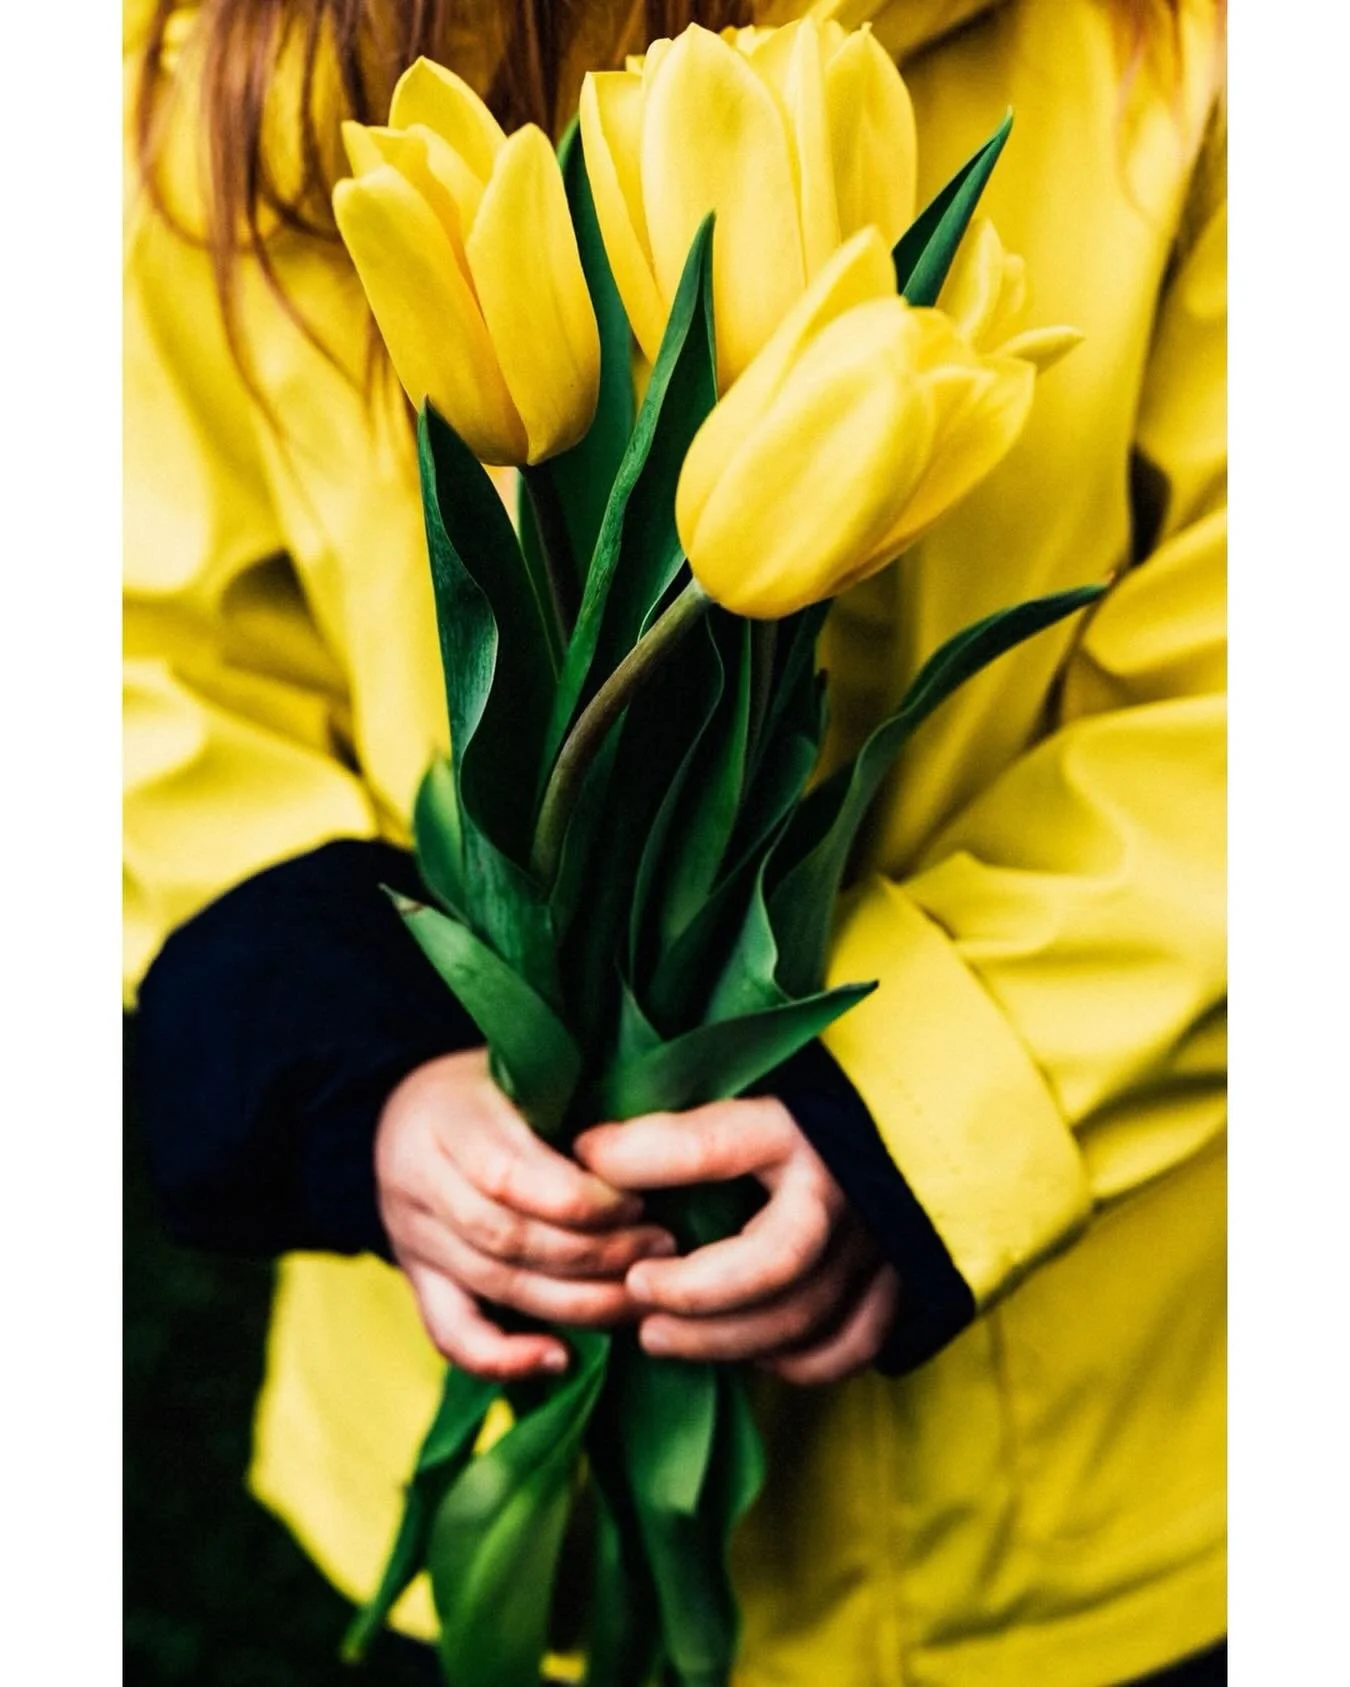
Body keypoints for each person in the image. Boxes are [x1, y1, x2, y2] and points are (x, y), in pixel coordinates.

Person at [124, 1, 1227, 1683]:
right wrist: (359, 1068)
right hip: (479, 1327)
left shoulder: (1182, 54)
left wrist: (934, 1102)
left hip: (1079, 1461)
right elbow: (134, 650)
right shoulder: (217, 57)